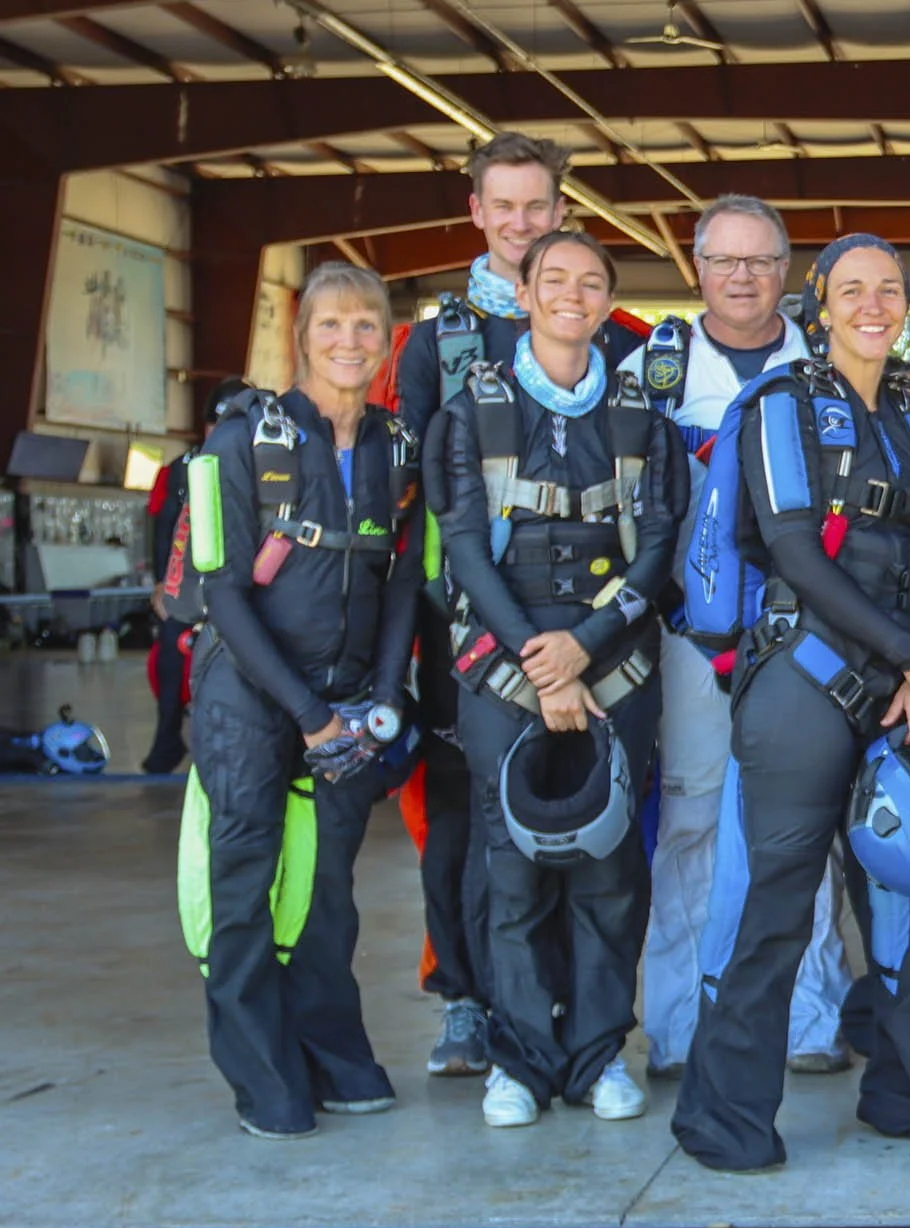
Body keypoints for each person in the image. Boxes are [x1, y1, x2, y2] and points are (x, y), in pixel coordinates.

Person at [671, 233, 910, 1171]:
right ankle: (723, 1113)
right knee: (775, 898)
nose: (874, 304)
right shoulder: (778, 406)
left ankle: (905, 1087)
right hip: (802, 685)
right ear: (820, 305)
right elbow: (798, 551)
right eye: (853, 290)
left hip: (908, 685)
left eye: (890, 288)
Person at [396, 132, 647, 1079]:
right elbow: (420, 492)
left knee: (593, 809)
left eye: (536, 206)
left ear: (561, 212)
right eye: (502, 206)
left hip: (595, 628)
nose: (519, 223)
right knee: (467, 821)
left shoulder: (618, 340)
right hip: (467, 619)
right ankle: (470, 1001)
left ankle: (584, 1021)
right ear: (476, 213)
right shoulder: (437, 343)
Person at [432, 229, 685, 1130]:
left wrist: (584, 648)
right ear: (526, 294)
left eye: (590, 282)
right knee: (512, 870)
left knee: (611, 866)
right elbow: (464, 546)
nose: (571, 294)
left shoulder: (638, 417)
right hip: (506, 667)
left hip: (614, 663)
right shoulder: (473, 411)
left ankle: (597, 1054)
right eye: (554, 280)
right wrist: (542, 662)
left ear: (607, 300)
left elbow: (656, 547)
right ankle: (521, 1063)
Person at [182, 262, 422, 1138]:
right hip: (248, 692)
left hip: (352, 694)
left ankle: (332, 1051)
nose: (350, 341)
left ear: (387, 337)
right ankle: (264, 1074)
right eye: (331, 325)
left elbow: (401, 584)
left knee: (327, 891)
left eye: (367, 325)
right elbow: (223, 596)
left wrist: (385, 694)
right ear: (302, 337)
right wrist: (307, 714)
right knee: (246, 879)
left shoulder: (399, 447)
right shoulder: (240, 443)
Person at [620, 195, 853, 1083]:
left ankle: (811, 1018)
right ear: (697, 268)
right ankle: (678, 1026)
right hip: (691, 633)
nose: (743, 277)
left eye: (760, 261)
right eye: (725, 261)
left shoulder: (826, 365)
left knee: (805, 823)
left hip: (807, 637)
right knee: (689, 816)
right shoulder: (656, 370)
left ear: (788, 270)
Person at [142, 378, 250, 775]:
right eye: (216, 424)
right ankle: (168, 737)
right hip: (190, 585)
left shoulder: (271, 464)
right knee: (173, 655)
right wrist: (161, 584)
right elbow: (164, 527)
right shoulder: (180, 471)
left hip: (249, 585)